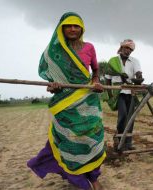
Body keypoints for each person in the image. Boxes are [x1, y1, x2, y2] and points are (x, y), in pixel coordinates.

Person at [27, 12, 106, 190]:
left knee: (92, 138)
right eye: (68, 26)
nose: (72, 29)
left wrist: (96, 83)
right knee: (68, 142)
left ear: (81, 29)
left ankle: (93, 176)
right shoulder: (54, 52)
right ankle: (78, 177)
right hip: (66, 105)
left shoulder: (89, 47)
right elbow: (51, 84)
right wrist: (53, 86)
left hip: (87, 102)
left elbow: (95, 72)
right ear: (61, 28)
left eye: (75, 26)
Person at [105, 39, 143, 151]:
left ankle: (128, 143)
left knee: (131, 117)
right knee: (122, 116)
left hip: (131, 92)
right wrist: (110, 95)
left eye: (130, 49)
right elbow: (108, 79)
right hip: (119, 92)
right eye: (126, 48)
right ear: (121, 48)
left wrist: (139, 78)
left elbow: (139, 73)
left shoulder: (135, 61)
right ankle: (119, 140)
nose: (128, 51)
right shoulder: (113, 61)